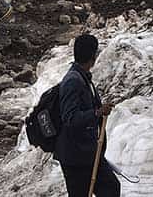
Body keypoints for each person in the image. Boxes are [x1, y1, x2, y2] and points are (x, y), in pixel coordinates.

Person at [55, 34, 119, 197]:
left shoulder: (82, 77)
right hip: (75, 157)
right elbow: (70, 119)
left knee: (110, 187)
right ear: (92, 56)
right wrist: (97, 113)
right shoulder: (73, 81)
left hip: (86, 152)